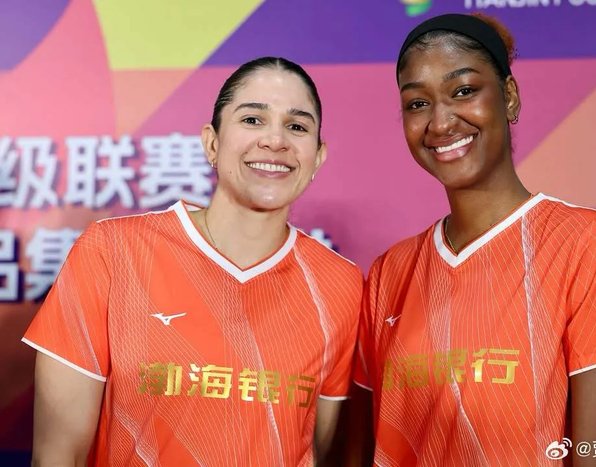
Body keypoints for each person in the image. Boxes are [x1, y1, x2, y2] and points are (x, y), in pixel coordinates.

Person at [349, 13, 596, 466]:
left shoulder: (589, 245)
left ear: (509, 96)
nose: (440, 122)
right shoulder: (391, 272)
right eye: (417, 103)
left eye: (463, 91)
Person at [23, 56, 363, 466]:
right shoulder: (112, 252)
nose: (276, 141)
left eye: (297, 127)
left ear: (318, 157)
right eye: (252, 120)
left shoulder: (340, 284)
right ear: (211, 144)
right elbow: (58, 455)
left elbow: (326, 453)